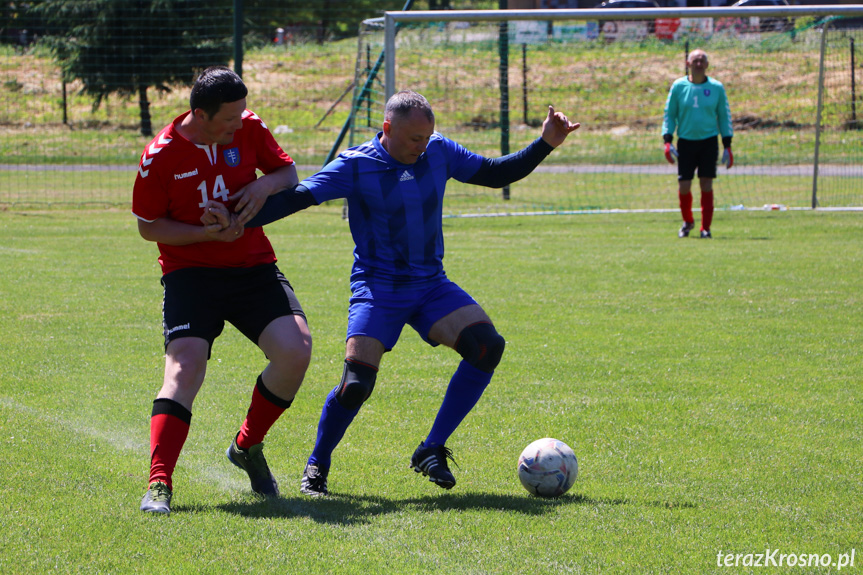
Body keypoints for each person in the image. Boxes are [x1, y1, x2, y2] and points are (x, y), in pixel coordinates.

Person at [204, 90, 579, 496]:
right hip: (377, 288)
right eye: (415, 138)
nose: (423, 145)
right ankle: (317, 464)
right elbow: (299, 197)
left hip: (430, 285)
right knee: (355, 385)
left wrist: (545, 144)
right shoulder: (356, 164)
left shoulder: (439, 151)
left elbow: (494, 172)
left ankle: (431, 447)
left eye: (428, 137)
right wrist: (239, 217)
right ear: (387, 128)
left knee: (487, 346)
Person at [132, 66, 312, 515]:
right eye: (229, 119)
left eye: (241, 114)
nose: (240, 123)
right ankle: (159, 483)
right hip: (191, 273)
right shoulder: (161, 155)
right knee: (185, 368)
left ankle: (246, 447)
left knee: (296, 351)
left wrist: (262, 184)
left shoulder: (248, 127)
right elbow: (148, 227)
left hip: (253, 266)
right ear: (199, 114)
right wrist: (206, 235)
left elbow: (287, 173)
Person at [662, 49, 734, 239]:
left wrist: (727, 143)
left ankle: (706, 228)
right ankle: (688, 222)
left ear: (707, 65)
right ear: (688, 63)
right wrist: (667, 141)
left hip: (708, 142)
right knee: (684, 185)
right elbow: (669, 114)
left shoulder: (717, 88)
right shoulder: (678, 86)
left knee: (706, 184)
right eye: (695, 60)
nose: (699, 64)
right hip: (686, 142)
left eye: (702, 60)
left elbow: (724, 116)